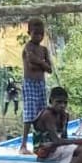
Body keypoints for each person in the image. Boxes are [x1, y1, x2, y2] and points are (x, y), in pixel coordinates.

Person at [19, 18, 52, 155]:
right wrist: (42, 64)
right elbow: (31, 64)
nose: (39, 36)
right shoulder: (28, 47)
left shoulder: (44, 49)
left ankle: (40, 144)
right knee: (30, 114)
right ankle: (23, 145)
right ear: (29, 33)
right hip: (30, 83)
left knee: (42, 114)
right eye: (35, 33)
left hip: (41, 84)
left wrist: (41, 64)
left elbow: (49, 69)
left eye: (41, 34)